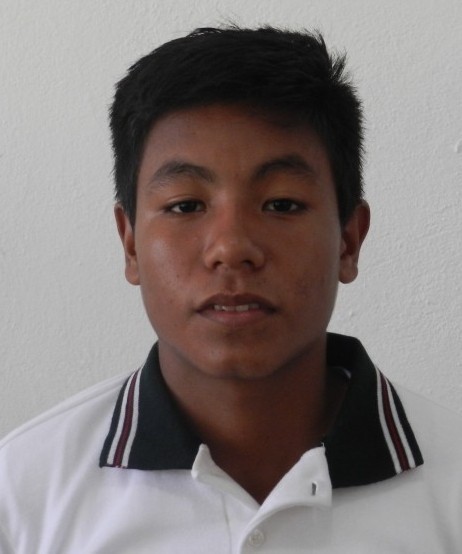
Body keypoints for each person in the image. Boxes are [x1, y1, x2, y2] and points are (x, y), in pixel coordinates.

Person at [1, 25, 461, 553]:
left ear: (348, 241)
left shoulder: (451, 488)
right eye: (185, 205)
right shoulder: (22, 496)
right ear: (130, 244)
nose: (232, 248)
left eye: (282, 204)